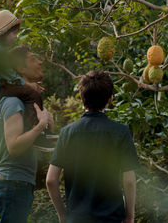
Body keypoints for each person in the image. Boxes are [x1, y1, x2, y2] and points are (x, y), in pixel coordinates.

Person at [46, 70, 140, 223]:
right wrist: (130, 216)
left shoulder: (67, 133)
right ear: (110, 99)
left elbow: (51, 180)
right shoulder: (120, 132)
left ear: (81, 96)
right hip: (111, 218)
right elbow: (129, 180)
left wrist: (63, 215)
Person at [0, 44, 54, 223]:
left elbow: (41, 139)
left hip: (18, 183)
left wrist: (47, 121)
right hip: (12, 184)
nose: (40, 61)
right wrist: (40, 126)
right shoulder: (12, 102)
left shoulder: (22, 101)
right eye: (33, 59)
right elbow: (14, 147)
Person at [0, 9, 54, 151]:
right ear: (2, 34)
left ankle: (41, 132)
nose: (16, 37)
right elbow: (10, 75)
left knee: (30, 94)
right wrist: (28, 85)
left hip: (0, 86)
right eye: (13, 33)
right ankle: (37, 133)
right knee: (32, 95)